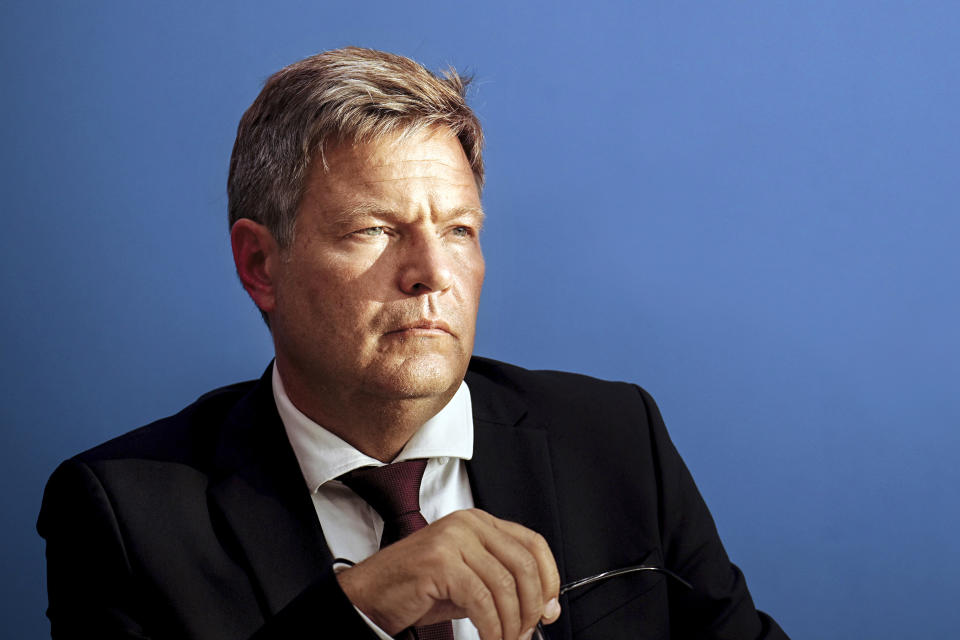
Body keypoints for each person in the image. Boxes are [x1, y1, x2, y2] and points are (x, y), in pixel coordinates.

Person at [38, 47, 789, 640]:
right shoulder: (125, 513)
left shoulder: (618, 441)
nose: (432, 272)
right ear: (260, 265)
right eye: (376, 230)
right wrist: (366, 605)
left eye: (458, 230)